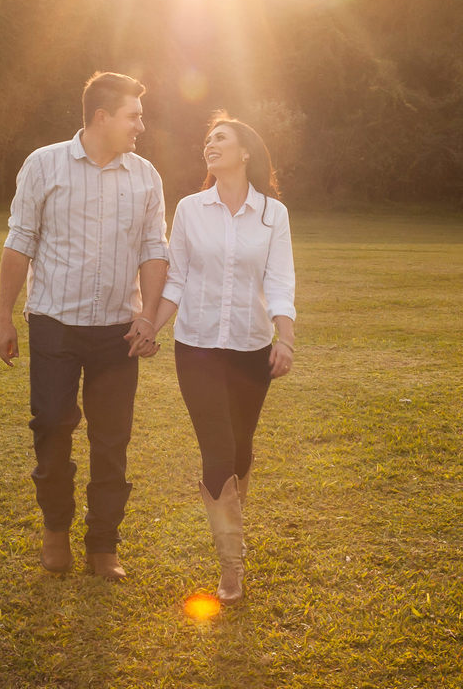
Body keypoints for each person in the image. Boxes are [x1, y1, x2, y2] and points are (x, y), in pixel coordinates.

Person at [0, 72, 167, 581]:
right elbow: (19, 241)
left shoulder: (146, 176)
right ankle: (55, 531)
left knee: (112, 441)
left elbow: (155, 250)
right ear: (101, 117)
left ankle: (103, 546)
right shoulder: (44, 164)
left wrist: (149, 318)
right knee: (51, 428)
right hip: (54, 325)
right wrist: (4, 316)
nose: (141, 124)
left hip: (118, 332)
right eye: (133, 115)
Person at [150, 112, 296, 603]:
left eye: (220, 138)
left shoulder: (273, 214)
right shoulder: (190, 208)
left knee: (240, 449)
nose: (209, 144)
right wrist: (152, 324)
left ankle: (231, 527)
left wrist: (286, 338)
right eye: (207, 138)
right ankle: (231, 567)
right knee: (217, 449)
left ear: (246, 152)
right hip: (196, 347)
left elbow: (278, 281)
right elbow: (177, 277)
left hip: (253, 348)